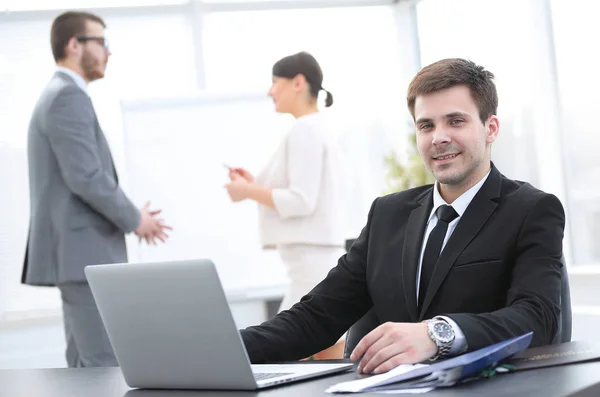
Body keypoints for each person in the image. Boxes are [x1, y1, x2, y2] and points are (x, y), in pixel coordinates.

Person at [239, 58, 565, 374]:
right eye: (426, 125)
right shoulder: (388, 214)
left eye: (455, 121)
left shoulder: (530, 209)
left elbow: (538, 318)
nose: (438, 137)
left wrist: (437, 334)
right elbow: (317, 316)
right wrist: (228, 347)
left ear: (490, 128)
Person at [21, 11, 172, 368]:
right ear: (74, 45)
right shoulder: (67, 97)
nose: (108, 52)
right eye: (101, 42)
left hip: (76, 254)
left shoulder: (59, 94)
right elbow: (85, 176)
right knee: (103, 364)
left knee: (84, 366)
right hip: (82, 252)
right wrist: (135, 218)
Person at [225, 52, 347, 359]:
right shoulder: (317, 127)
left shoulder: (305, 129)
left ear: (298, 82)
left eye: (274, 82)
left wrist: (247, 190)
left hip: (311, 266)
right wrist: (253, 185)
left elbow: (301, 201)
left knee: (286, 354)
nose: (269, 91)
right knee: (315, 356)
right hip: (312, 263)